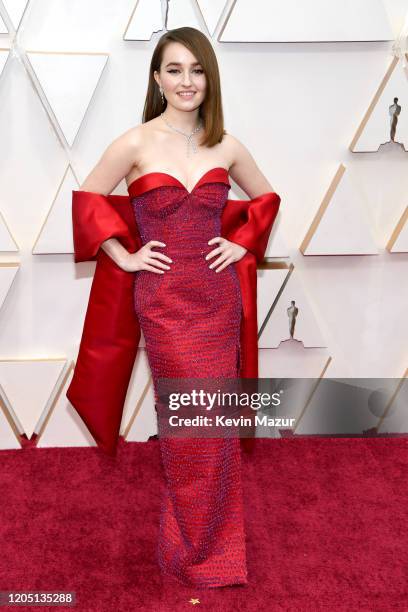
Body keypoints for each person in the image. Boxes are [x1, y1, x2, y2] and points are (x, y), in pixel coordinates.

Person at [67, 27, 281, 588]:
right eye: (175, 69)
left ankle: (217, 549)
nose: (187, 81)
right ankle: (190, 548)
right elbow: (88, 199)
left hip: (217, 300)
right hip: (163, 303)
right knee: (188, 428)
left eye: (197, 70)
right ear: (157, 78)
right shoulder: (136, 142)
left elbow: (267, 198)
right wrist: (126, 256)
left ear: (209, 78)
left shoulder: (226, 145)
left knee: (215, 427)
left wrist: (243, 242)